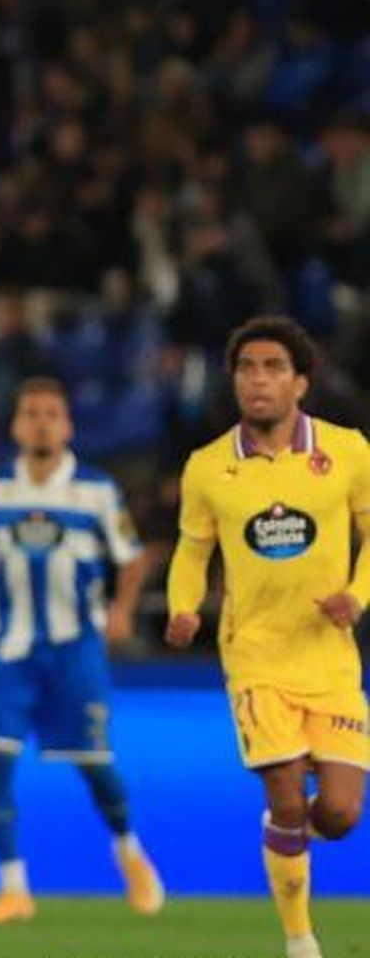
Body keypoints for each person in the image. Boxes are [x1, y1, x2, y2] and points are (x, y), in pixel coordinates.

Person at [166, 317, 367, 958]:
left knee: (339, 815)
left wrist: (357, 595)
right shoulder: (208, 467)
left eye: (273, 367)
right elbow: (192, 551)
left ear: (300, 383)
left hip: (329, 660)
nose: (258, 379)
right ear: (234, 382)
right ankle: (299, 939)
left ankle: (289, 835)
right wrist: (182, 607)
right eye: (247, 368)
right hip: (255, 657)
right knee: (286, 799)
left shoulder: (348, 452)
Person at [0, 376, 164, 924]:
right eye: (31, 414)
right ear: (16, 425)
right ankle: (13, 888)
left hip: (75, 649)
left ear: (68, 426)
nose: (41, 423)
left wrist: (122, 610)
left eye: (51, 414)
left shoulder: (96, 490)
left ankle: (128, 849)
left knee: (94, 764)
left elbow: (132, 557)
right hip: (11, 650)